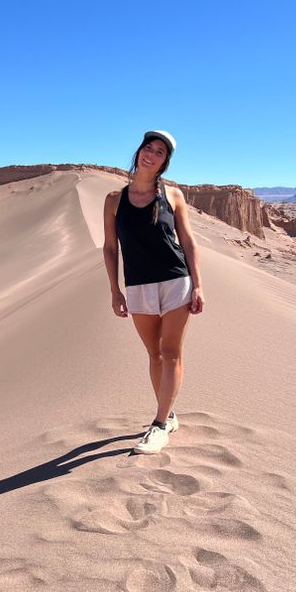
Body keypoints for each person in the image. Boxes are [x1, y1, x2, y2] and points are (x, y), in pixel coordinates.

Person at [103, 129, 205, 454]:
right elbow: (109, 248)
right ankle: (169, 413)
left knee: (172, 351)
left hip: (177, 281)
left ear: (165, 163)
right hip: (138, 286)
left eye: (159, 152)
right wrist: (114, 291)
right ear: (139, 152)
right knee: (155, 354)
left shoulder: (173, 196)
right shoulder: (113, 200)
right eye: (148, 148)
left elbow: (187, 241)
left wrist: (199, 284)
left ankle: (159, 426)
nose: (151, 154)